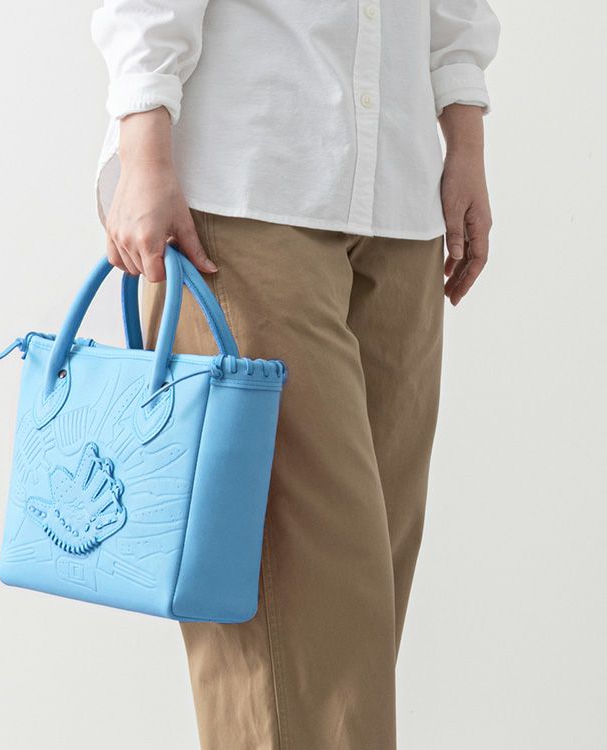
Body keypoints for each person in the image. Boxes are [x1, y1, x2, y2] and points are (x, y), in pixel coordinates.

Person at [91, 1, 500, 747]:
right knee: (302, 622)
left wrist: (464, 141)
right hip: (244, 197)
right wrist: (142, 148)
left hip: (402, 200)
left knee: (356, 617)